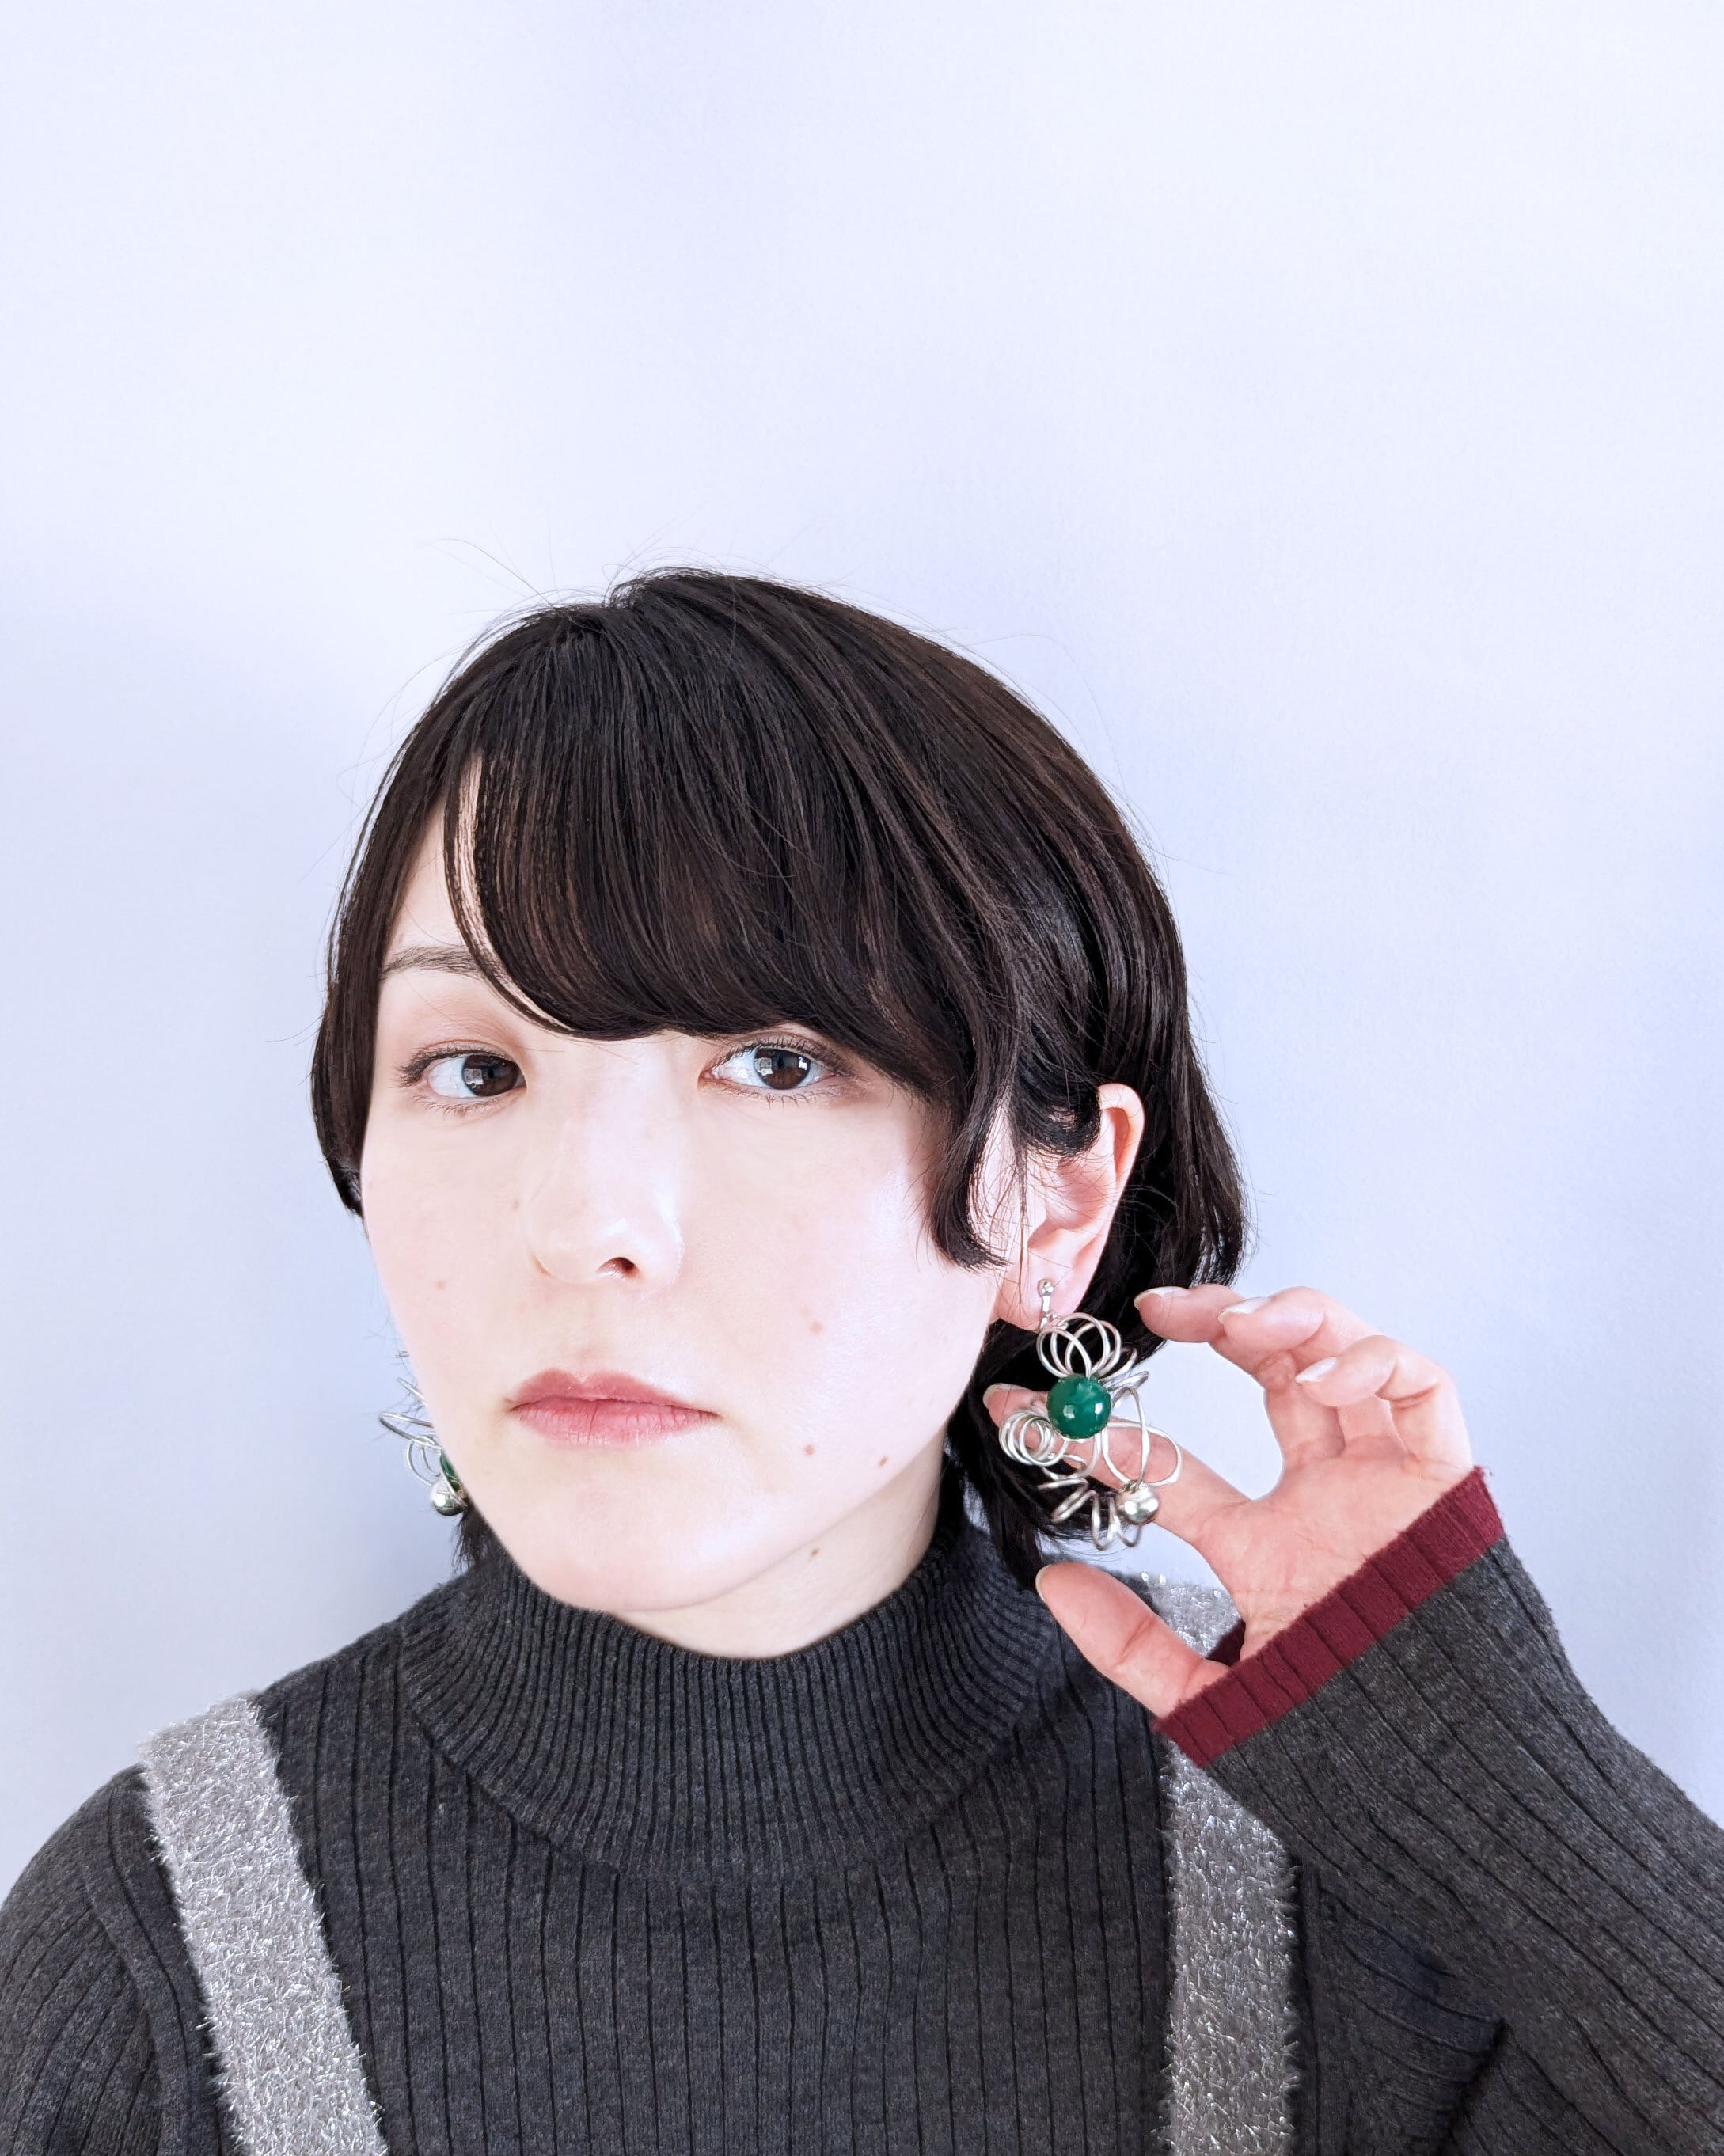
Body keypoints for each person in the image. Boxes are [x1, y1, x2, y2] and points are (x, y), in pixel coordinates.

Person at [2, 570, 1719, 2155]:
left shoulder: (1359, 1896)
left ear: (1055, 1202)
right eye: (474, 1071)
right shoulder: (155, 1960)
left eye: (775, 1062)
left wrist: (1497, 1783)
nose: (586, 1223)